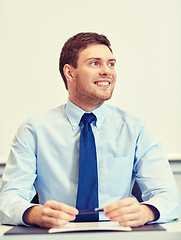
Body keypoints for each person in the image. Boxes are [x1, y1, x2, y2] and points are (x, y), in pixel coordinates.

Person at [0, 32, 180, 229]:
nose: (107, 71)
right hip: (56, 235)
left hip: (119, 234)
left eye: (111, 64)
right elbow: (8, 199)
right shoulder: (33, 130)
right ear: (70, 73)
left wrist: (147, 211)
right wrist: (34, 213)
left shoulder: (135, 128)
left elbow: (168, 196)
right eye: (95, 63)